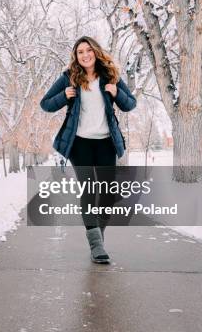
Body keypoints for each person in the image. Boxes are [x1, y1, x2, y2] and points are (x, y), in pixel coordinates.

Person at [40, 36, 136, 264]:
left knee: (107, 193)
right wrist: (63, 96)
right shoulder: (69, 78)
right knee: (88, 189)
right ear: (76, 56)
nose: (84, 55)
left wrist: (116, 93)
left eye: (88, 50)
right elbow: (45, 104)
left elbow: (130, 104)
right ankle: (96, 245)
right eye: (80, 52)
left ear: (95, 52)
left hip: (105, 142)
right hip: (79, 143)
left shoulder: (110, 76)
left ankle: (98, 237)